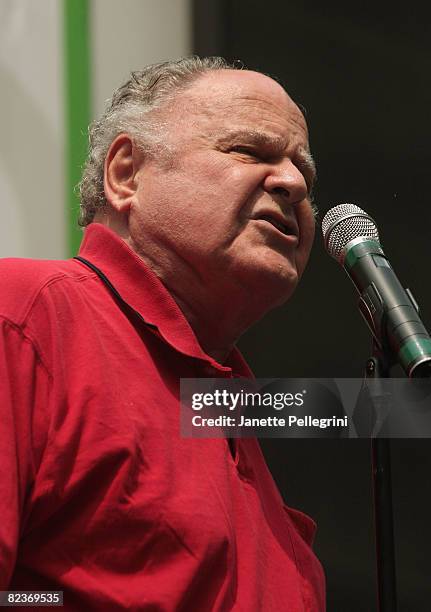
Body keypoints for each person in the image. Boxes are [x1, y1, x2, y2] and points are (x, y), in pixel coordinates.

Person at [0, 56, 325, 610]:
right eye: (249, 150)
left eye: (305, 172)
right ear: (126, 173)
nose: (294, 183)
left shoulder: (236, 414)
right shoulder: (26, 315)